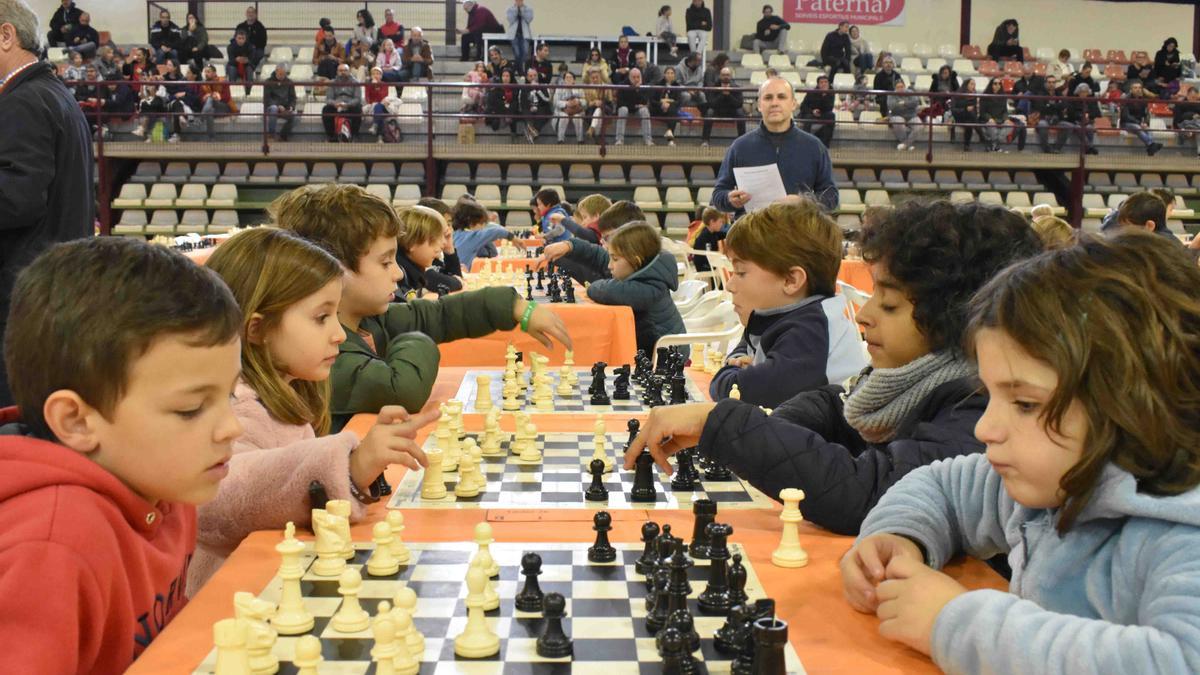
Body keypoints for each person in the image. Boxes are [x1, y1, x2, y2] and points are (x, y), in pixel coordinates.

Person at [842, 231, 1200, 674]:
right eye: (988, 394)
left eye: (1025, 404)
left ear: (1134, 404)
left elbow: (1180, 661)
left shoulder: (1181, 534)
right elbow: (940, 486)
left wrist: (955, 623)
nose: (984, 427)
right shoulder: (1053, 481)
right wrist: (900, 536)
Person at [623, 200, 1043, 535]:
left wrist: (724, 425)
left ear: (956, 318)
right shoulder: (900, 384)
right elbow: (836, 404)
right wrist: (767, 427)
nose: (864, 315)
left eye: (890, 304)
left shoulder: (978, 404)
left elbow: (866, 493)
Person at [0, 237, 243, 672]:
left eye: (231, 395)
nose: (232, 427)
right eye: (191, 409)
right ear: (76, 421)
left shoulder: (166, 484)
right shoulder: (53, 546)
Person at [192, 228, 436, 593]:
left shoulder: (287, 394)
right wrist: (349, 466)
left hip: (274, 587)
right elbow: (217, 496)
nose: (339, 334)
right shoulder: (236, 407)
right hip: (232, 608)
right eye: (321, 317)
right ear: (257, 329)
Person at [272, 184, 572, 429]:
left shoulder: (366, 320)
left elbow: (438, 314)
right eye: (385, 261)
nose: (398, 273)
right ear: (335, 270)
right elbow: (403, 388)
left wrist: (513, 307)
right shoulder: (320, 351)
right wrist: (414, 339)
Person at [0, 0, 94, 406]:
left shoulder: (21, 102)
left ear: (6, 35)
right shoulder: (53, 94)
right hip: (49, 288)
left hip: (20, 290)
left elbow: (17, 199)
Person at [710, 200, 866, 407]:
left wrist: (729, 373)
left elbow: (739, 391)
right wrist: (739, 359)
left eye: (740, 272)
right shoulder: (785, 315)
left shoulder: (810, 332)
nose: (729, 285)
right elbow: (747, 342)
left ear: (791, 280)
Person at [712, 77, 837, 213]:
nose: (774, 103)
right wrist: (729, 199)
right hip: (752, 232)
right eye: (768, 98)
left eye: (782, 97)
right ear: (759, 105)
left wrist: (804, 202)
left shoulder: (815, 147)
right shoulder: (739, 147)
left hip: (798, 231)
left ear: (793, 104)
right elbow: (718, 195)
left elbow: (832, 197)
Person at [578, 221, 686, 357]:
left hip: (669, 362)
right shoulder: (649, 275)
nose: (609, 265)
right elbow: (598, 256)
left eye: (615, 259)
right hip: (658, 352)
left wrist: (591, 287)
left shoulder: (647, 289)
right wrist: (571, 246)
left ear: (636, 261)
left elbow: (606, 291)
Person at [537, 200, 647, 284]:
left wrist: (563, 220)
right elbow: (595, 255)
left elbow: (604, 283)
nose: (601, 241)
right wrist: (566, 249)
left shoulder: (642, 280)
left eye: (608, 238)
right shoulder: (616, 258)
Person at [393, 205, 462, 300]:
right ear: (412, 242)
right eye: (435, 237)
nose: (443, 243)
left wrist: (449, 249)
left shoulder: (414, 265)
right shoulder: (399, 272)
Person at [452, 200, 524, 268]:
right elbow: (496, 231)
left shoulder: (456, 234)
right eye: (481, 223)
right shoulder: (473, 237)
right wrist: (513, 238)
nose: (483, 227)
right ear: (470, 222)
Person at [700, 66, 744, 146]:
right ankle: (705, 140)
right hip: (717, 110)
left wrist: (729, 95)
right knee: (709, 112)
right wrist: (722, 94)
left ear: (730, 76)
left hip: (731, 111)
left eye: (727, 75)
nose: (725, 77)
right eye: (723, 75)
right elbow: (711, 104)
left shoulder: (736, 87)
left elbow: (739, 104)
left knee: (740, 113)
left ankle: (742, 141)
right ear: (720, 76)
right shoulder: (714, 87)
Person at [1120, 80, 1164, 156]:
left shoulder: (1143, 100)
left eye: (1140, 88)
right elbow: (1126, 116)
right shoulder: (1126, 99)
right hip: (1126, 123)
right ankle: (1151, 144)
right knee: (1137, 127)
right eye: (1135, 88)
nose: (1138, 89)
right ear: (1131, 90)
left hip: (1139, 123)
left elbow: (1147, 114)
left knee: (1148, 128)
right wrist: (1139, 123)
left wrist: (1145, 123)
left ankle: (1150, 148)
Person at [322, 63, 362, 142]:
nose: (343, 72)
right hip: (336, 105)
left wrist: (347, 104)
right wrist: (335, 103)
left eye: (345, 70)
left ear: (349, 71)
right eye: (340, 70)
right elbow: (328, 99)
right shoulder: (332, 83)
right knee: (326, 110)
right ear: (337, 72)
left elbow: (357, 99)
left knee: (358, 109)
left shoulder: (355, 83)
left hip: (350, 105)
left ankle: (354, 135)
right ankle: (331, 136)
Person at [615, 67, 653, 146]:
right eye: (634, 77)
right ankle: (619, 140)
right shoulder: (623, 85)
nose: (636, 79)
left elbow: (645, 102)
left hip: (637, 110)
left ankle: (648, 140)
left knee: (644, 110)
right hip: (627, 109)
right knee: (623, 109)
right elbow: (620, 103)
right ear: (629, 77)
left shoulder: (644, 85)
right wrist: (635, 106)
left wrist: (637, 90)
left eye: (638, 77)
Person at [199, 64, 236, 140]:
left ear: (214, 73)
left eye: (208, 72)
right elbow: (201, 100)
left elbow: (227, 97)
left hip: (225, 107)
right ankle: (211, 137)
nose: (206, 74)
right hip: (211, 109)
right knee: (210, 110)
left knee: (211, 99)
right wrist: (204, 98)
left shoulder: (223, 81)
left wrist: (218, 96)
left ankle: (202, 117)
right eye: (205, 72)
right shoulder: (203, 84)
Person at [1062, 82, 1100, 154]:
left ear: (1088, 92)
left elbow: (1097, 113)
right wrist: (1081, 116)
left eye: (1085, 92)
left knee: (1089, 127)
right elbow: (1071, 114)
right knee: (1079, 127)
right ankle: (1090, 147)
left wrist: (1089, 116)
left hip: (1088, 122)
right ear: (1078, 92)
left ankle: (1088, 149)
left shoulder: (1092, 101)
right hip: (1077, 122)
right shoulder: (1073, 101)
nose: (1083, 93)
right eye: (1081, 92)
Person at [799, 73, 836, 147]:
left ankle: (824, 143)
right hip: (810, 113)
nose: (824, 84)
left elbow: (829, 108)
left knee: (831, 116)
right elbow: (803, 106)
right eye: (821, 82)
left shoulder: (831, 93)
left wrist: (825, 95)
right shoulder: (811, 93)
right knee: (808, 117)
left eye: (826, 82)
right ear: (818, 84)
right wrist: (813, 111)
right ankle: (806, 143)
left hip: (823, 113)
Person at [690, 206, 727, 279]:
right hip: (704, 266)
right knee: (726, 268)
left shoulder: (713, 233)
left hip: (708, 263)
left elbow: (726, 234)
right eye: (720, 222)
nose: (721, 224)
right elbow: (707, 256)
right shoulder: (704, 236)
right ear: (712, 222)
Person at [263, 63, 296, 141]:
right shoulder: (268, 81)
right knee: (274, 108)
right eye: (281, 74)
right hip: (271, 107)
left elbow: (293, 98)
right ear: (276, 71)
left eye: (284, 74)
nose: (282, 76)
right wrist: (277, 106)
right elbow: (267, 98)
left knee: (294, 115)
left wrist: (291, 107)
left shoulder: (289, 82)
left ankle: (282, 136)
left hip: (285, 108)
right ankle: (271, 134)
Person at [887, 79, 921, 150]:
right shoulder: (891, 95)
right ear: (895, 88)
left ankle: (905, 144)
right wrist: (908, 105)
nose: (900, 89)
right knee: (898, 122)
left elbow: (915, 102)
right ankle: (908, 145)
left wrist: (904, 103)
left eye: (902, 87)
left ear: (905, 86)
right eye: (898, 87)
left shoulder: (910, 92)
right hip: (897, 115)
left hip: (911, 115)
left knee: (919, 126)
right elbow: (892, 106)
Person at [653, 66, 683, 145]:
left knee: (672, 109)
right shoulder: (658, 84)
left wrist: (668, 104)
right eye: (668, 73)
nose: (670, 75)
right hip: (658, 109)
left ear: (674, 75)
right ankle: (670, 138)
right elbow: (653, 100)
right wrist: (662, 104)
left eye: (672, 73)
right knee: (672, 111)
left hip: (670, 110)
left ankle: (670, 136)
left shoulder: (677, 86)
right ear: (664, 74)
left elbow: (679, 102)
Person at [979, 77, 1010, 152]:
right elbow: (982, 112)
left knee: (1010, 125)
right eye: (995, 83)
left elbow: (1005, 111)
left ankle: (995, 144)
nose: (997, 85)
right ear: (991, 85)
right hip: (987, 119)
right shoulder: (985, 96)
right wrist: (989, 118)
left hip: (1000, 119)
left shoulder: (1003, 96)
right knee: (992, 126)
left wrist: (1006, 119)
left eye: (999, 84)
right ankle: (996, 147)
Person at [553, 69, 585, 143]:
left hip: (576, 110)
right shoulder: (559, 89)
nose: (568, 79)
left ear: (574, 80)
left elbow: (585, 102)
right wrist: (567, 103)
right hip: (562, 110)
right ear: (564, 80)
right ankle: (560, 140)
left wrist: (578, 101)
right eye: (566, 78)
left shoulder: (579, 88)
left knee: (577, 118)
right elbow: (555, 102)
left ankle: (580, 140)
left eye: (570, 77)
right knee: (564, 117)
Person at [583, 67, 613, 142]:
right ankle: (598, 137)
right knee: (598, 112)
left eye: (597, 77)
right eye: (593, 78)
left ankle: (591, 129)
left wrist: (602, 103)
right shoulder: (587, 88)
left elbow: (610, 101)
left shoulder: (607, 87)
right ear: (590, 78)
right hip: (591, 110)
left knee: (599, 110)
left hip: (606, 108)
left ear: (600, 77)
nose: (595, 79)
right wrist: (594, 103)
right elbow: (587, 104)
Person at [952, 78, 980, 151]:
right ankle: (983, 136)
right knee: (971, 116)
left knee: (970, 123)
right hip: (959, 116)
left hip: (969, 118)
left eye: (974, 84)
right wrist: (965, 109)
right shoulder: (958, 94)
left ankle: (966, 146)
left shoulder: (974, 95)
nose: (973, 86)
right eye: (971, 84)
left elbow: (975, 110)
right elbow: (954, 110)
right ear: (966, 85)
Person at [1173, 84, 1200, 158]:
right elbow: (1177, 121)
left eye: (1196, 98)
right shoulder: (1180, 104)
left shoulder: (1198, 104)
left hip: (1196, 126)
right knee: (1185, 127)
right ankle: (1179, 151)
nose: (1194, 100)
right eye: (1192, 97)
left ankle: (1199, 153)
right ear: (1187, 95)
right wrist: (1191, 116)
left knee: (1198, 130)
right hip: (1182, 126)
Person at [506, 0, 533, 72]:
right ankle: (521, 72)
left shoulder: (528, 9)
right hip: (514, 35)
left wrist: (521, 10)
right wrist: (516, 10)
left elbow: (529, 19)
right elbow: (510, 20)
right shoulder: (510, 9)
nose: (519, 1)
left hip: (525, 34)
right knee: (517, 53)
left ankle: (514, 69)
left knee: (524, 53)